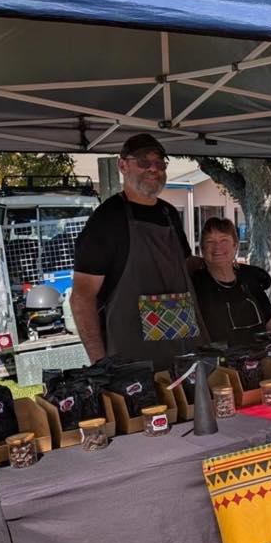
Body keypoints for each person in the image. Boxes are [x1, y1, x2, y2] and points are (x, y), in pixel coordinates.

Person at [71, 133, 208, 370]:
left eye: (160, 163)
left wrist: (219, 260)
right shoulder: (107, 219)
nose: (153, 169)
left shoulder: (169, 213)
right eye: (144, 162)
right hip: (134, 360)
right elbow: (82, 297)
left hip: (185, 350)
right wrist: (100, 364)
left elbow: (184, 265)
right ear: (122, 165)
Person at [192, 217, 271, 345]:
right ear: (202, 249)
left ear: (235, 246)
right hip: (218, 357)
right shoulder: (195, 284)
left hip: (260, 354)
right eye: (210, 241)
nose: (217, 247)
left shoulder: (250, 279)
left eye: (224, 240)